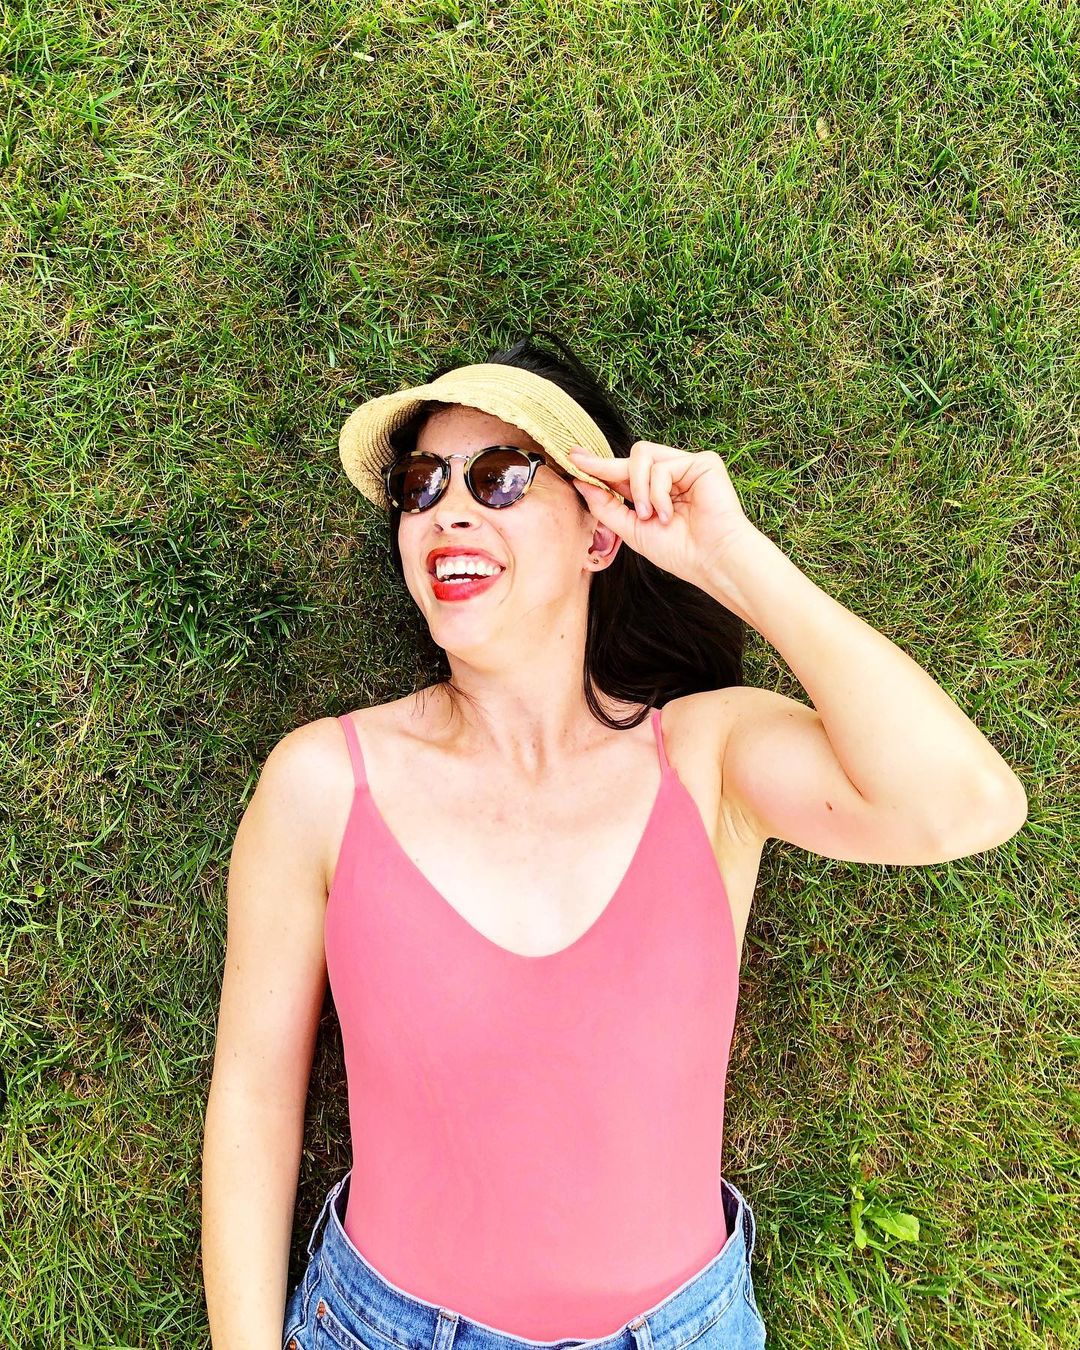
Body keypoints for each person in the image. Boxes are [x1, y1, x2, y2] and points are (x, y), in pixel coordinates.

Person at [201, 333, 1027, 1350]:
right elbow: (254, 1095)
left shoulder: (710, 757)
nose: (447, 510)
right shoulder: (322, 781)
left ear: (600, 535)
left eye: (500, 477)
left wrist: (728, 558)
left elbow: (965, 805)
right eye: (421, 485)